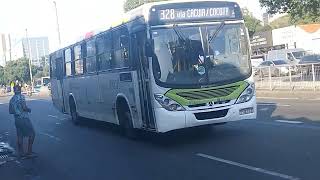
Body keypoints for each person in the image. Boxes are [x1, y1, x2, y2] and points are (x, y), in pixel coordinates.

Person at [9, 85, 36, 158]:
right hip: (23, 118)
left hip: (17, 119)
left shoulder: (12, 99)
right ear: (20, 90)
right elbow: (24, 107)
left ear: (14, 90)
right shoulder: (21, 97)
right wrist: (28, 109)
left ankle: (21, 153)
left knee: (20, 136)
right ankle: (29, 152)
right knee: (32, 134)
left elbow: (11, 111)